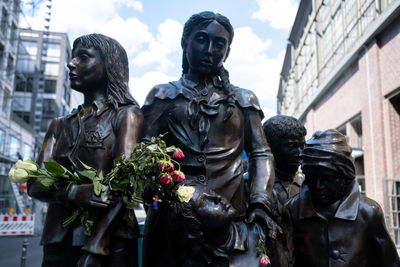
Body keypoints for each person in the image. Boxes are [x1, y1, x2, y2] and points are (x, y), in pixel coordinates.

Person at [141, 11, 276, 266]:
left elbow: (261, 153)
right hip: (172, 226)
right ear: (185, 43)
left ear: (228, 50)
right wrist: (167, 196)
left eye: (219, 44)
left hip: (231, 224)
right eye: (201, 40)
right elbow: (143, 156)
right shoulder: (162, 96)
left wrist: (260, 201)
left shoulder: (243, 100)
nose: (210, 50)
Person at [27, 33, 143, 267]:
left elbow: (125, 185)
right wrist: (71, 192)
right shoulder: (59, 124)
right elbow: (35, 183)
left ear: (109, 64)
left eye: (83, 57)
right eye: (72, 57)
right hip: (58, 241)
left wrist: (97, 247)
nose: (71, 64)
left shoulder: (126, 115)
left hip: (110, 242)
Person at [282, 129, 400, 267]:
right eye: (313, 177)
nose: (319, 186)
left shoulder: (368, 212)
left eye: (328, 178)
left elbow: (390, 262)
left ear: (345, 175)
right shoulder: (292, 210)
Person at [166, 184, 266, 266]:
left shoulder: (260, 234)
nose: (217, 197)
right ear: (194, 230)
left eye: (211, 192)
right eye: (204, 202)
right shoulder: (193, 263)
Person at [263, 115, 306, 222]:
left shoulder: (307, 184)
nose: (300, 154)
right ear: (271, 147)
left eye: (302, 147)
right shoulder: (251, 185)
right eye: (292, 146)